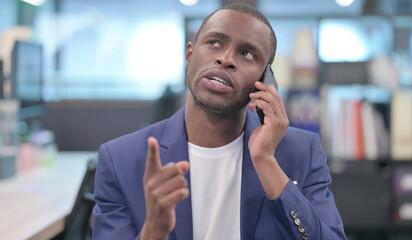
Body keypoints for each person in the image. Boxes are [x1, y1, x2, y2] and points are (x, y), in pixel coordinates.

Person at [93, 3, 346, 240]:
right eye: (214, 42)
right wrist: (154, 231)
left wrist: (267, 162)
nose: (226, 59)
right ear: (189, 56)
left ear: (265, 80)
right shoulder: (120, 159)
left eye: (246, 53)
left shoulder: (302, 152)